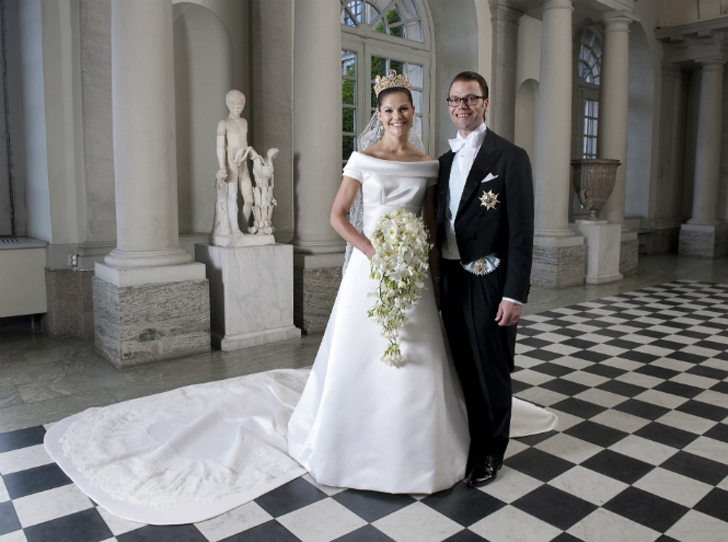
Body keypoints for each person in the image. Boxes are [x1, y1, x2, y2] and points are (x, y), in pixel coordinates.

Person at [288, 70, 470, 494]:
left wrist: (434, 278)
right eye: (388, 110)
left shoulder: (428, 165)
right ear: (379, 114)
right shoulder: (362, 160)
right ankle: (350, 443)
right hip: (370, 270)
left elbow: (429, 225)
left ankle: (419, 449)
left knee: (416, 351)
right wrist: (373, 253)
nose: (396, 116)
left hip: (414, 271)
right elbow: (337, 216)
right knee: (361, 349)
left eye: (403, 108)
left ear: (413, 112)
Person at [433, 71, 534, 487]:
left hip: (489, 277)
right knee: (463, 365)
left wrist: (514, 294)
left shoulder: (510, 157)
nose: (462, 106)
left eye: (470, 99)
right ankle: (472, 442)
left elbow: (522, 232)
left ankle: (492, 451)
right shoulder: (443, 162)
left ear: (485, 103)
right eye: (455, 100)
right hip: (452, 277)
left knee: (490, 366)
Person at [215, 90, 254, 235]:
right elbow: (220, 147)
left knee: (249, 199)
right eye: (233, 107)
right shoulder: (223, 123)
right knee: (233, 196)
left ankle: (244, 226)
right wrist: (222, 167)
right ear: (228, 105)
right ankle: (235, 227)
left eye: (239, 107)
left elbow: (245, 143)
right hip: (231, 161)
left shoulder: (244, 122)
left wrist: (252, 155)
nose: (237, 110)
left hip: (243, 162)